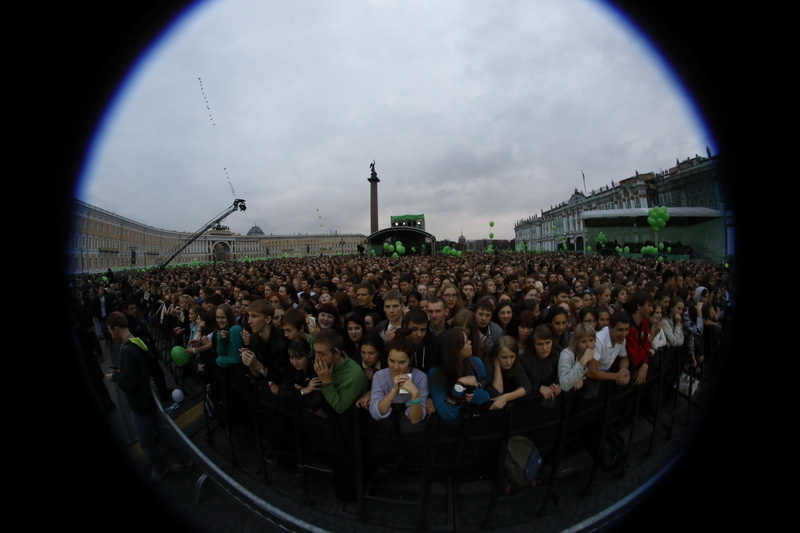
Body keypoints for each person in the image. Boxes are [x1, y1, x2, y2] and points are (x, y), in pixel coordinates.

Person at [104, 311, 192, 482]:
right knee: (163, 430)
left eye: (109, 330)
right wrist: (123, 371)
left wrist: (114, 377)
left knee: (146, 442)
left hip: (140, 403)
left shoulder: (128, 350)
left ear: (115, 329)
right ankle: (184, 458)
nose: (109, 334)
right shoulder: (137, 341)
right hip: (147, 398)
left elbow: (130, 383)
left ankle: (160, 468)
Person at [368, 328, 429, 432]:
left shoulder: (420, 377)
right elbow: (376, 413)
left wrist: (415, 394)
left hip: (410, 432)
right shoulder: (379, 376)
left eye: (401, 362)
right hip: (385, 430)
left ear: (410, 360)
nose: (395, 367)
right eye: (391, 360)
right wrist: (394, 390)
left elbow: (415, 419)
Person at [428, 327, 491, 422]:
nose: (470, 342)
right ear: (455, 351)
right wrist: (459, 385)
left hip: (475, 421)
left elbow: (486, 395)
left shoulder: (476, 363)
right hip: (449, 428)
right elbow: (447, 413)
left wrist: (464, 398)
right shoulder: (436, 374)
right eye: (466, 342)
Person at [313, 328, 368, 415]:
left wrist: (326, 383)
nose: (317, 358)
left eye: (322, 354)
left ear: (337, 353)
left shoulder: (354, 375)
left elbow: (340, 407)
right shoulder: (324, 363)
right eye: (316, 352)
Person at [277, 337, 325, 416]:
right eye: (291, 357)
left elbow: (314, 404)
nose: (294, 362)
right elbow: (281, 394)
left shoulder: (317, 370)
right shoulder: (292, 368)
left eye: (299, 357)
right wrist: (303, 391)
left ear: (309, 355)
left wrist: (297, 387)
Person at [585, 310, 631, 391]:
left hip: (604, 380)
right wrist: (616, 376)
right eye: (620, 330)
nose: (624, 334)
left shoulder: (622, 337)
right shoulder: (599, 340)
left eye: (627, 329)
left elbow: (624, 358)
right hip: (589, 383)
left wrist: (623, 370)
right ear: (610, 327)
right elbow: (590, 371)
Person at [483, 335, 532, 410]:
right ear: (495, 355)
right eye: (504, 357)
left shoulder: (516, 363)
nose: (509, 362)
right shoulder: (486, 365)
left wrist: (506, 397)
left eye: (512, 357)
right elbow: (496, 394)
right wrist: (497, 367)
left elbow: (526, 386)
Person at [519, 325, 562, 401]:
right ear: (534, 345)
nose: (544, 348)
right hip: (529, 402)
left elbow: (559, 376)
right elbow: (522, 384)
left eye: (548, 343)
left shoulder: (557, 355)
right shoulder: (524, 360)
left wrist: (557, 385)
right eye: (540, 344)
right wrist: (538, 388)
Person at [558, 322, 596, 392]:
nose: (588, 345)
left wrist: (581, 378)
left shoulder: (594, 349)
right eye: (583, 341)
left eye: (591, 340)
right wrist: (582, 362)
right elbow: (564, 385)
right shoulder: (566, 354)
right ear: (576, 342)